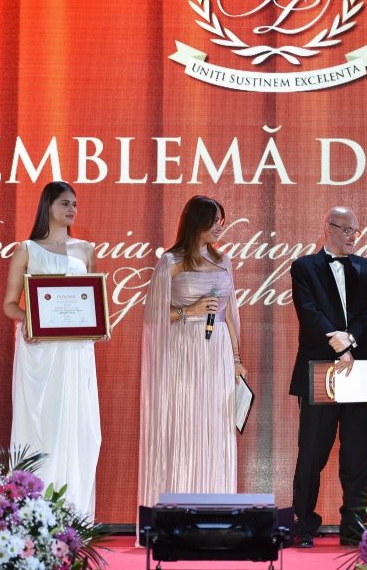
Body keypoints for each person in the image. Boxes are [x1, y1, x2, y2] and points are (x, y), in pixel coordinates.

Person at [137, 196, 246, 522]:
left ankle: (215, 513)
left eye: (221, 221)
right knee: (185, 425)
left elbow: (230, 315)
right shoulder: (171, 261)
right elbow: (154, 315)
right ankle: (178, 516)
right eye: (213, 221)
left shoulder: (224, 261)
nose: (219, 227)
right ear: (196, 221)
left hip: (217, 353)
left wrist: (236, 359)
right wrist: (190, 310)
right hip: (183, 352)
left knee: (216, 429)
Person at [3, 181, 103, 518]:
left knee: (79, 427)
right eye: (65, 203)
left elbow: (93, 300)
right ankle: (33, 513)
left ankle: (73, 514)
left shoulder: (85, 250)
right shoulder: (27, 249)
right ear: (48, 206)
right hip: (40, 351)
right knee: (41, 425)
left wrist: (97, 326)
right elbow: (10, 305)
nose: (72, 209)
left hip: (75, 352)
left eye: (75, 204)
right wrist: (28, 321)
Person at [289, 206, 367, 548]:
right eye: (347, 230)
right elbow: (309, 312)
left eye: (356, 231)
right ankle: (304, 523)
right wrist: (337, 343)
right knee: (313, 449)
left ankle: (354, 525)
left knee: (358, 452)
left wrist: (351, 340)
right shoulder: (304, 267)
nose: (353, 237)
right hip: (322, 366)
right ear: (328, 228)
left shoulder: (365, 266)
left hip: (357, 364)